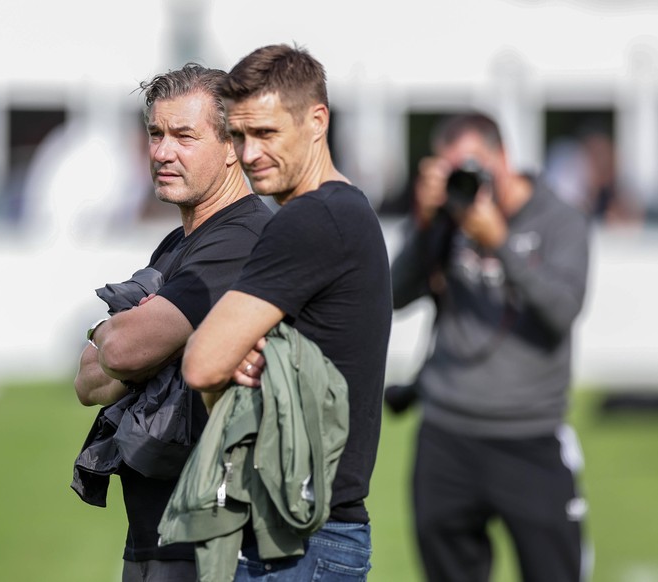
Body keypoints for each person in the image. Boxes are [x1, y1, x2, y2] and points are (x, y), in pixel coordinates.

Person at [182, 43, 392, 580]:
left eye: (266, 133)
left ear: (317, 120)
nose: (249, 154)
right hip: (315, 533)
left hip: (298, 542)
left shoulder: (310, 219)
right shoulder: (350, 208)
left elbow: (202, 364)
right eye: (238, 135)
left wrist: (229, 368)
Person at [72, 63, 273, 582]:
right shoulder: (178, 244)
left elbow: (116, 354)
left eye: (184, 135)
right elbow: (86, 381)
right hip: (154, 536)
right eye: (155, 134)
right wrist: (128, 341)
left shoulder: (242, 240)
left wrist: (111, 332)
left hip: (212, 544)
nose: (162, 152)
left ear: (232, 145)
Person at [388, 112, 591, 582]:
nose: (467, 180)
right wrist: (424, 222)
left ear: (503, 156)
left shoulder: (560, 219)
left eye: (473, 166)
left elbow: (561, 312)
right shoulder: (445, 220)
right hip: (447, 433)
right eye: (453, 170)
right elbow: (394, 297)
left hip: (531, 436)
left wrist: (500, 241)